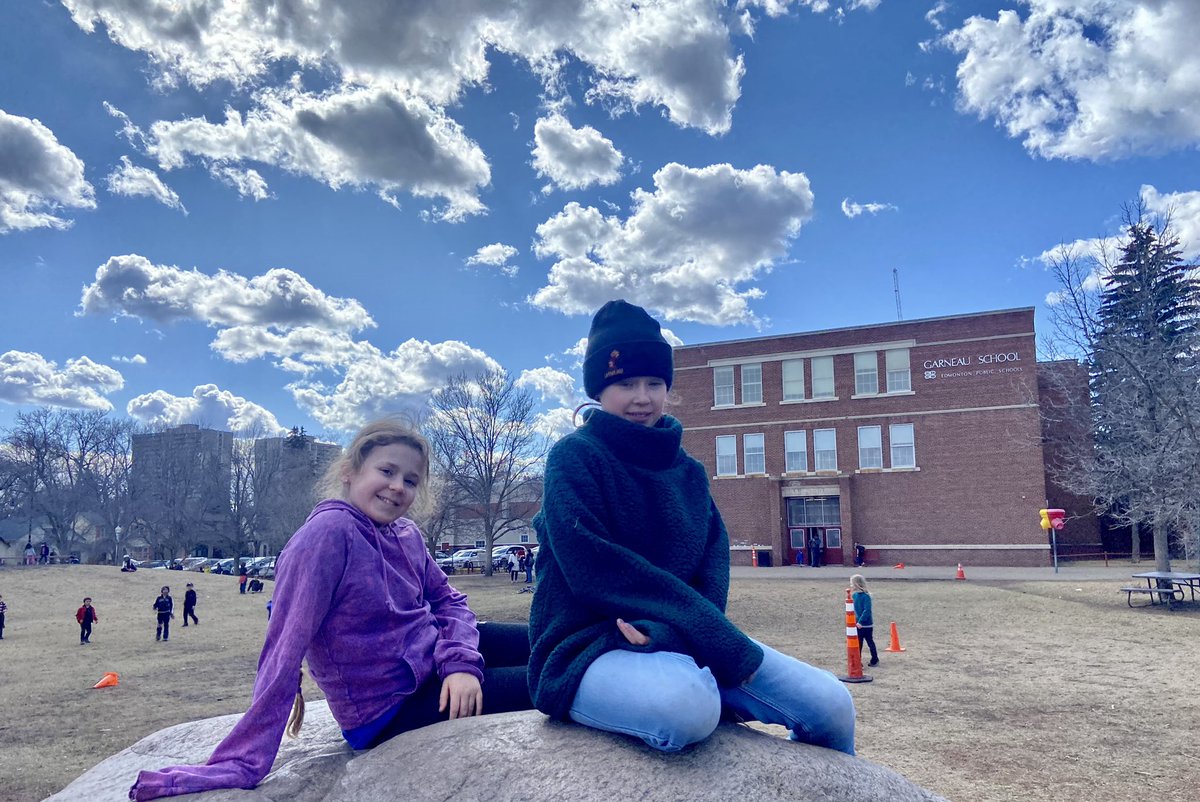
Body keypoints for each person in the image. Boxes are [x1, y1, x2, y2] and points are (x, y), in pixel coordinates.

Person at [129, 418, 533, 801]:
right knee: (553, 676)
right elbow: (284, 649)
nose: (397, 487)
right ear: (350, 471)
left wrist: (460, 664)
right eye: (387, 471)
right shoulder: (325, 537)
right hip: (390, 707)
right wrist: (243, 759)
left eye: (410, 480)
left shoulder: (406, 533)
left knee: (552, 637)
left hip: (432, 659)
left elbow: (448, 601)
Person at [528, 300, 855, 757]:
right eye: (625, 383)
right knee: (688, 708)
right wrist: (683, 632)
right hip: (586, 647)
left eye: (654, 383)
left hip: (688, 637)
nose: (642, 397)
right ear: (599, 390)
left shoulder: (690, 472)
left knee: (832, 704)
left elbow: (711, 566)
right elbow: (595, 570)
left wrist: (674, 635)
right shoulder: (573, 458)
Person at [850, 574, 878, 667]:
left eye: (852, 584)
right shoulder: (854, 596)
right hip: (858, 624)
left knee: (870, 642)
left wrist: (860, 622)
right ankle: (858, 660)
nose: (851, 586)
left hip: (866, 625)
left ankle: (875, 659)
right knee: (858, 644)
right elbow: (853, 610)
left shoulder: (866, 596)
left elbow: (867, 610)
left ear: (857, 584)